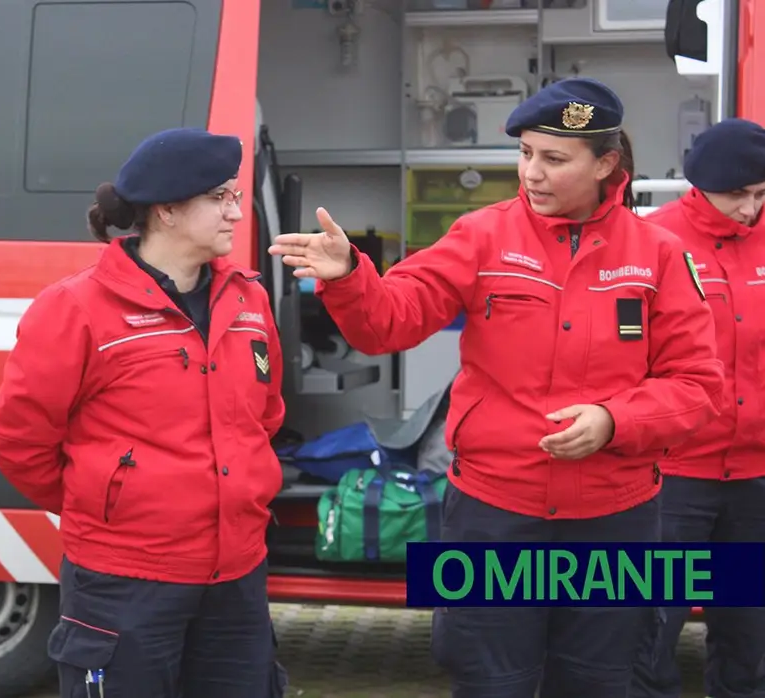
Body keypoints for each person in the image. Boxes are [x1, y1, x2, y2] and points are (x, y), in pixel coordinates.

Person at [268, 77, 723, 698]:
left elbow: (697, 387)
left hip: (615, 519)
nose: (531, 173)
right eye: (526, 153)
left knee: (601, 682)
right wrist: (350, 277)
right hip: (492, 515)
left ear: (606, 164)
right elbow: (390, 321)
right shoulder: (482, 235)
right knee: (489, 682)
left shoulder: (661, 256)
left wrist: (615, 420)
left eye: (554, 159)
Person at [0, 127, 289, 698]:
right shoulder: (77, 308)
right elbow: (15, 439)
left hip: (237, 577)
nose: (235, 211)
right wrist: (107, 503)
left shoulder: (249, 299)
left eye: (235, 195)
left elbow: (263, 419)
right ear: (167, 210)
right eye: (219, 197)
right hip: (124, 582)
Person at [630, 118, 765, 698]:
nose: (750, 209)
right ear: (700, 186)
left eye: (761, 195)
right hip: (674, 482)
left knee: (749, 639)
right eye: (738, 194)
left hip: (755, 485)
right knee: (648, 636)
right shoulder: (654, 243)